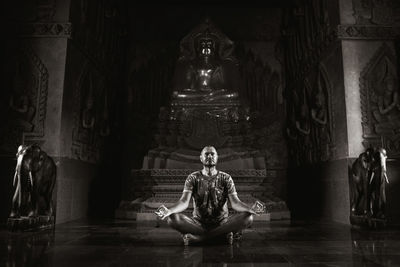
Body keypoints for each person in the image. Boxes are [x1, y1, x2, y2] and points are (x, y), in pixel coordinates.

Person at [155, 146, 265, 245]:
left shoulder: (226, 178)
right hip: (198, 223)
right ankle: (220, 237)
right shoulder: (192, 178)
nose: (210, 156)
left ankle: (201, 238)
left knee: (248, 218)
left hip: (222, 223)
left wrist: (250, 209)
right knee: (172, 219)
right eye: (206, 154)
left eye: (212, 154)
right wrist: (169, 211)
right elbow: (183, 202)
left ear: (217, 158)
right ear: (201, 158)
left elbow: (236, 203)